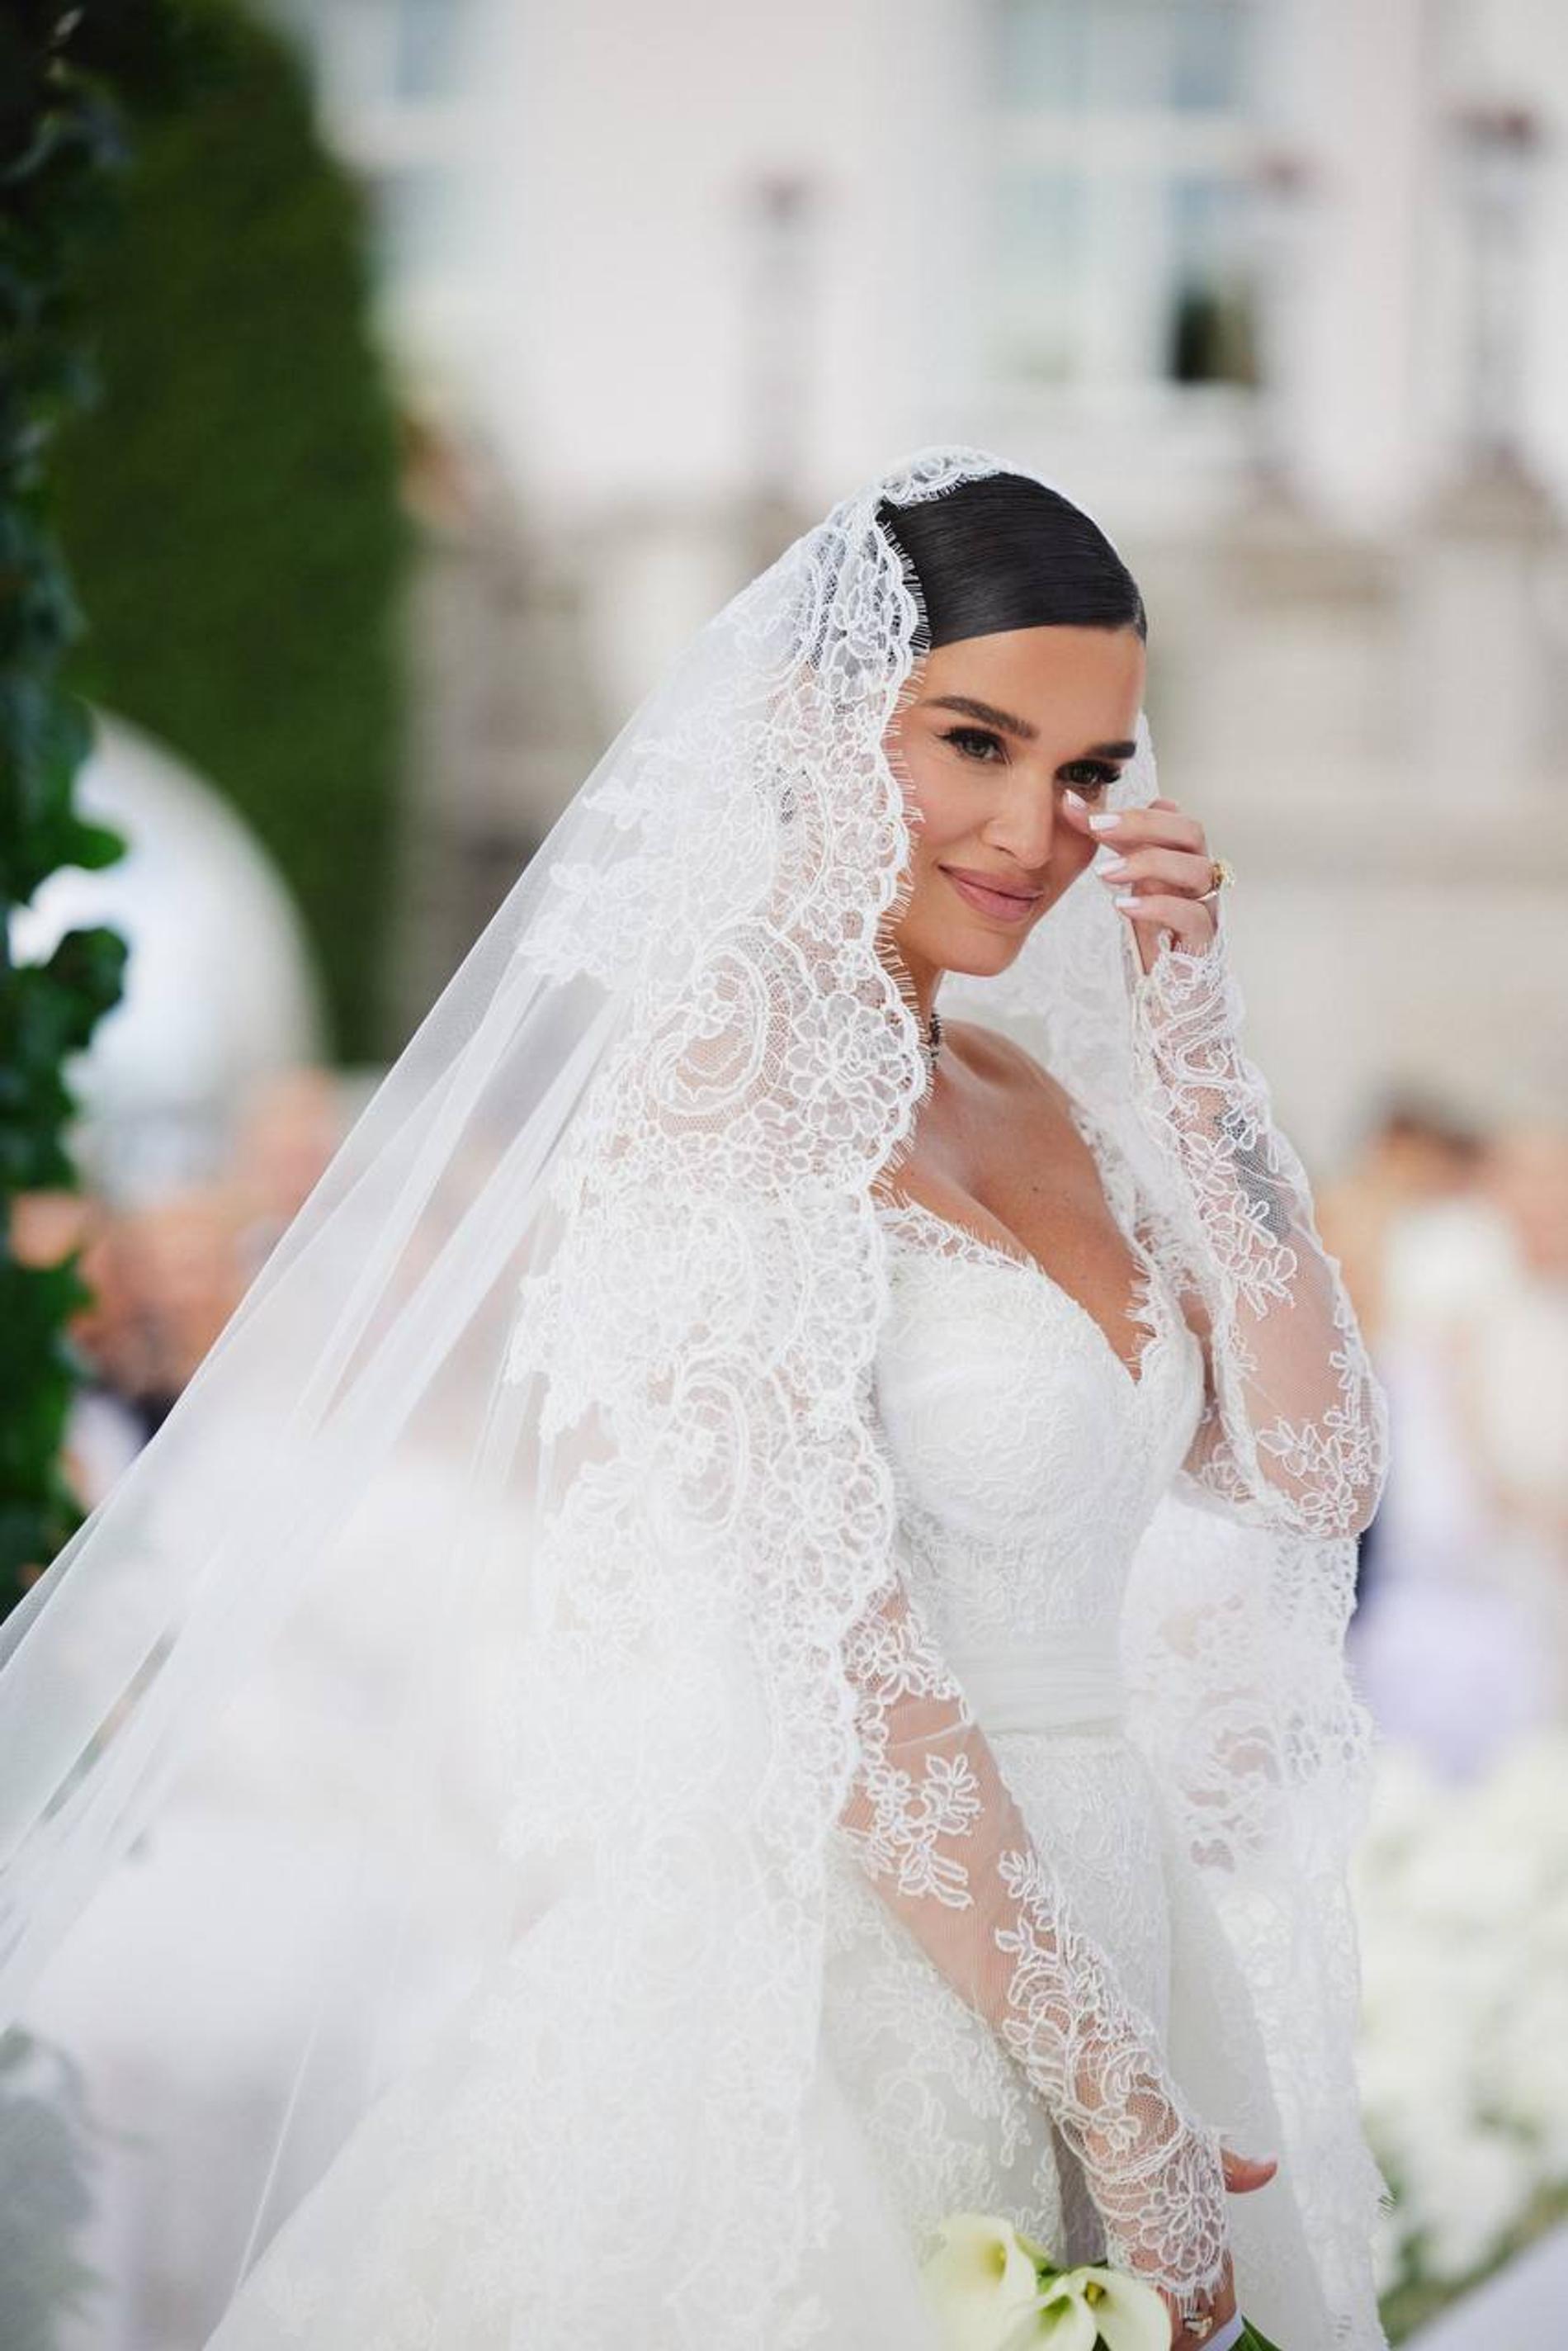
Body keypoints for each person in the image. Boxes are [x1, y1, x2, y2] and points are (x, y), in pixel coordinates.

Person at [0, 449, 1391, 2350]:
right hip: (851, 1979)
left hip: (1118, 1911)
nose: (1034, 828)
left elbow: (1311, 1469)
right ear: (818, 722)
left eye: (1084, 772)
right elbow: (832, 1639)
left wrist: (1205, 1072)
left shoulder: (1036, 1097)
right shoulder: (715, 1086)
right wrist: (1111, 2093)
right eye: (972, 742)